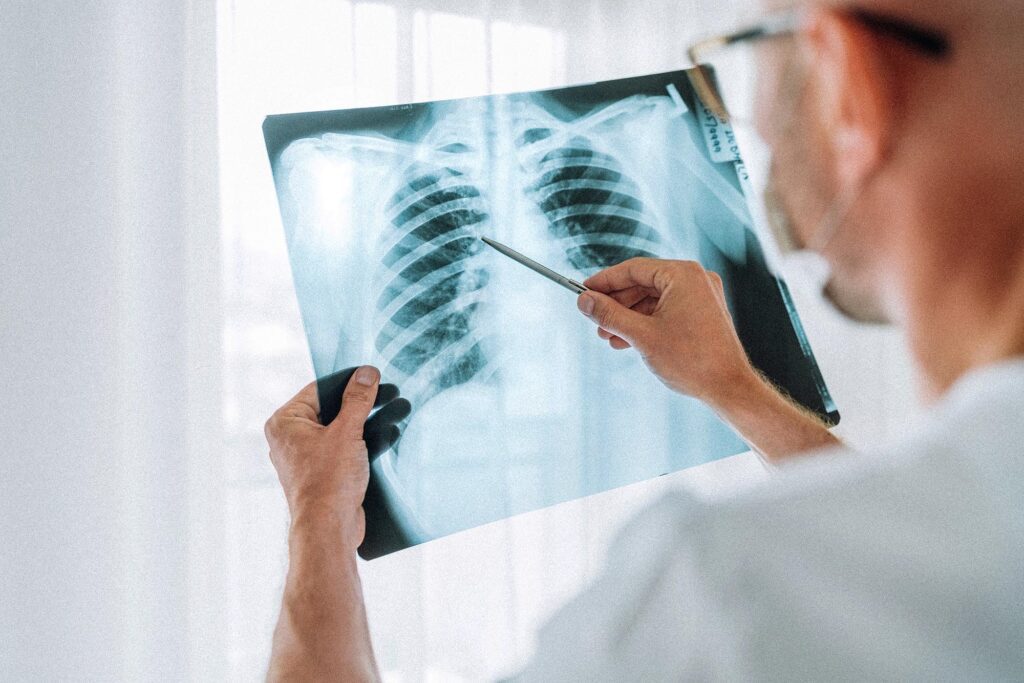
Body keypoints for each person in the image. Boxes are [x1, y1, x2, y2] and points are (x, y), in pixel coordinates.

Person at [263, 0, 1024, 679]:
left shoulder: (724, 594)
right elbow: (913, 543)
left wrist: (318, 522)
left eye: (750, 41)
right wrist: (730, 384)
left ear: (846, 79)